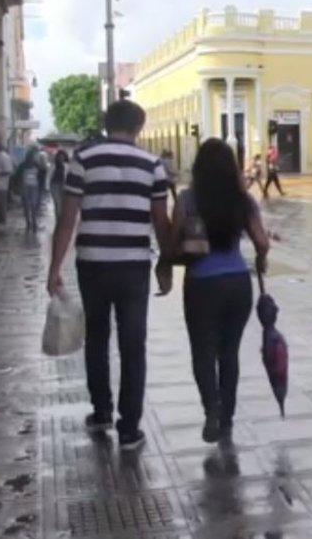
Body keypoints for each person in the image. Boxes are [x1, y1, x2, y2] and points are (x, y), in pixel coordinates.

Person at [46, 99, 172, 451]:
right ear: (139, 127)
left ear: (106, 124)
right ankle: (129, 428)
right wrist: (165, 266)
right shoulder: (153, 166)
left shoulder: (83, 160)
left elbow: (67, 219)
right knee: (133, 344)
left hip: (93, 263)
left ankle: (101, 411)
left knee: (97, 337)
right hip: (133, 266)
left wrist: (54, 268)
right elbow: (161, 223)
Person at [165, 138, 270, 443]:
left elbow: (172, 242)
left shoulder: (187, 199)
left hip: (201, 283)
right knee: (229, 353)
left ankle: (211, 410)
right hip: (238, 282)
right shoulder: (243, 200)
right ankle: (227, 418)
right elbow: (262, 242)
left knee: (203, 353)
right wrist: (261, 261)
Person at [14, 146, 46, 233]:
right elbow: (17, 176)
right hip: (28, 187)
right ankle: (30, 223)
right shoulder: (27, 165)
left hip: (32, 187)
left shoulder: (34, 165)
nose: (36, 157)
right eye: (35, 155)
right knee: (29, 205)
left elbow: (42, 176)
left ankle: (32, 223)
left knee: (31, 205)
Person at [50, 150, 68, 221]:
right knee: (57, 203)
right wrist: (47, 187)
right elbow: (49, 175)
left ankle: (60, 219)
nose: (61, 158)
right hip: (54, 185)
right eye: (60, 157)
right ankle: (58, 220)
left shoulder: (66, 165)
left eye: (63, 157)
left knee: (62, 204)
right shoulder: (54, 165)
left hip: (63, 186)